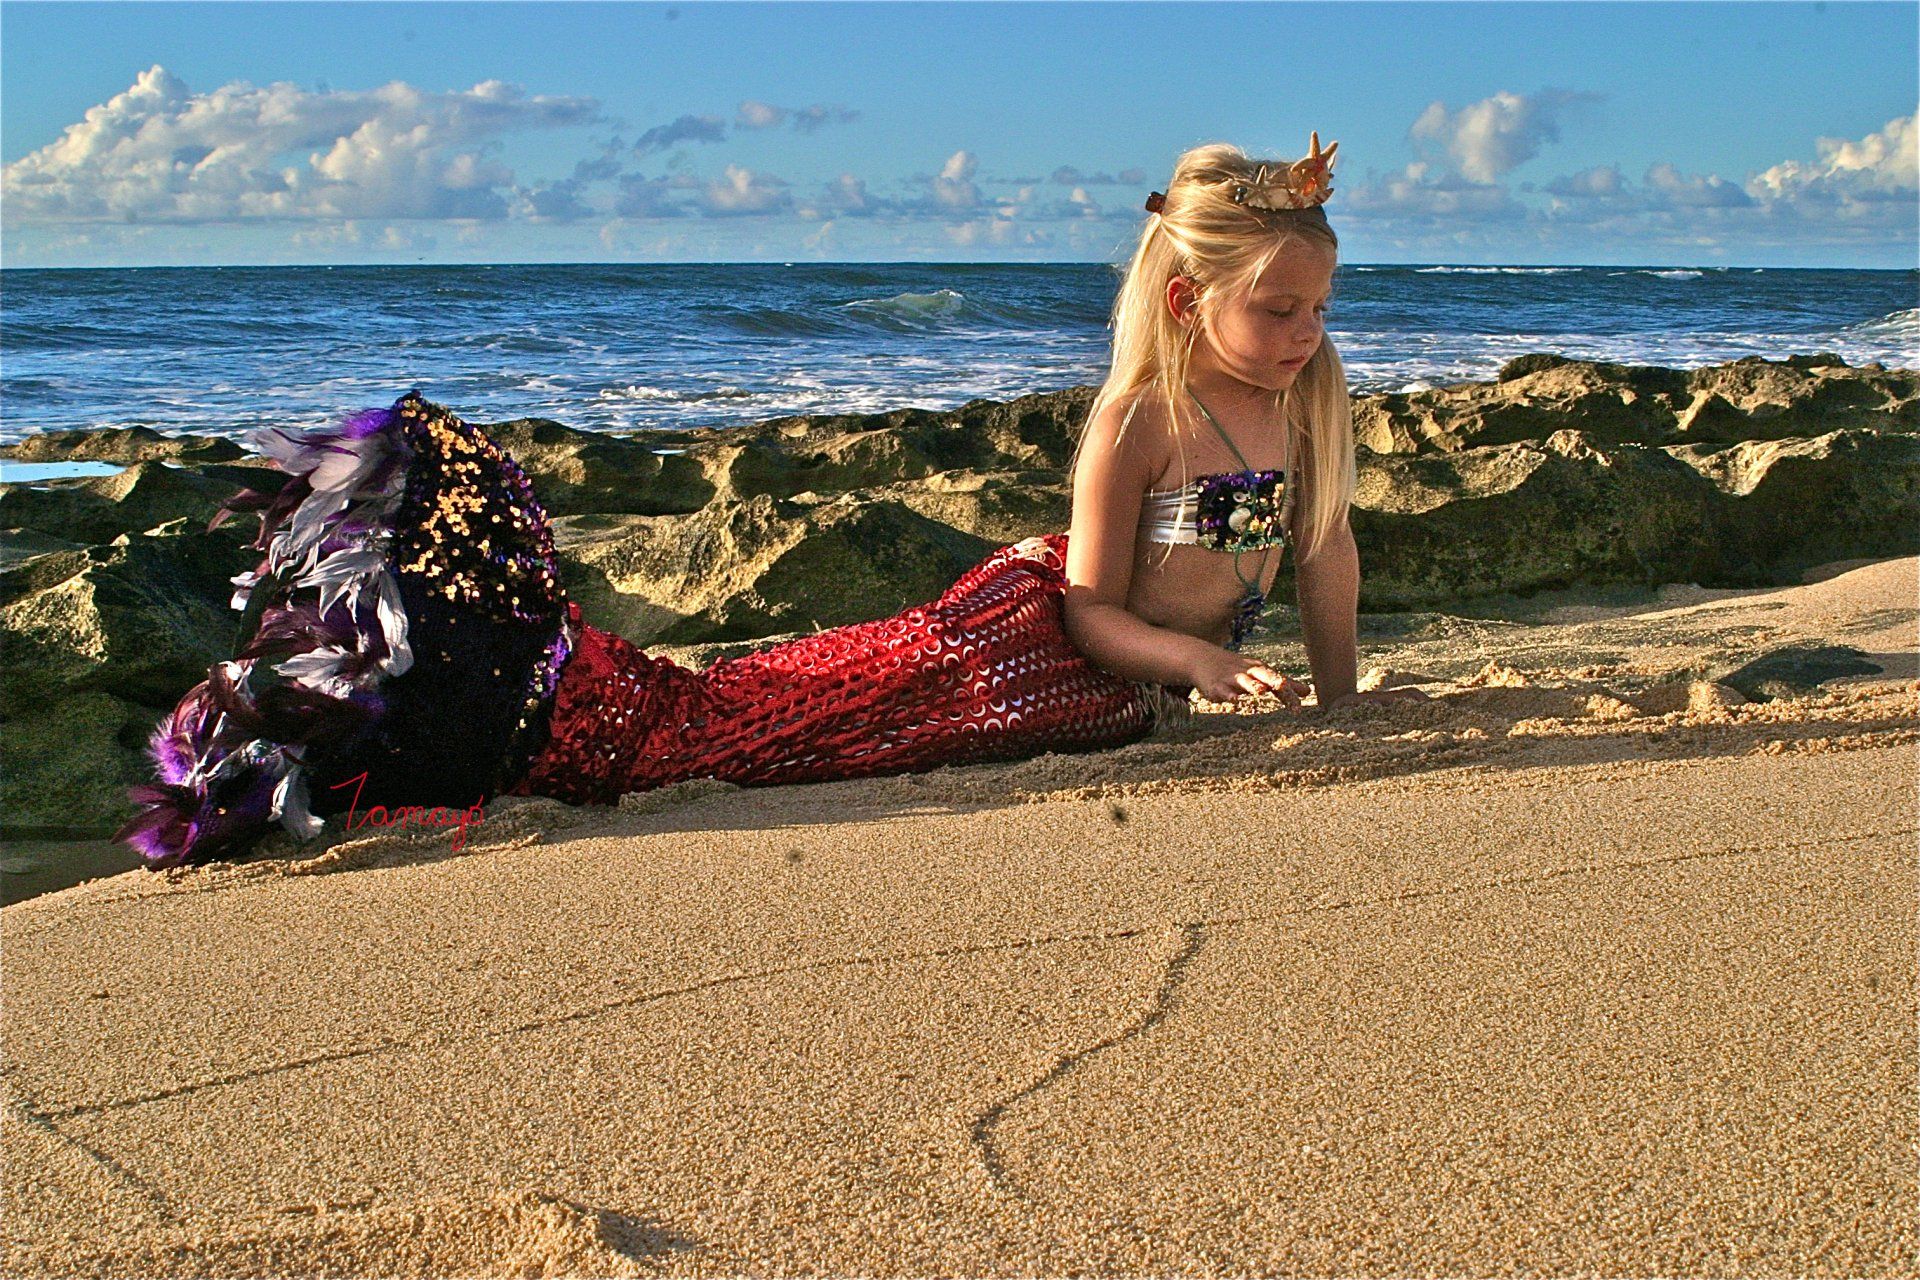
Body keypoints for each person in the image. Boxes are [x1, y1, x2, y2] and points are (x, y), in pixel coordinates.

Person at [116, 135, 1424, 871]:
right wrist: (1192, 661)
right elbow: (1090, 611)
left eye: (1319, 307)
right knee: (747, 722)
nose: (1306, 333)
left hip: (1121, 704)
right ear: (1191, 301)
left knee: (777, 727)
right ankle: (458, 702)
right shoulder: (1140, 421)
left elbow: (1325, 553)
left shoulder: (1309, 400)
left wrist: (1341, 700)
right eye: (1279, 310)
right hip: (1027, 649)